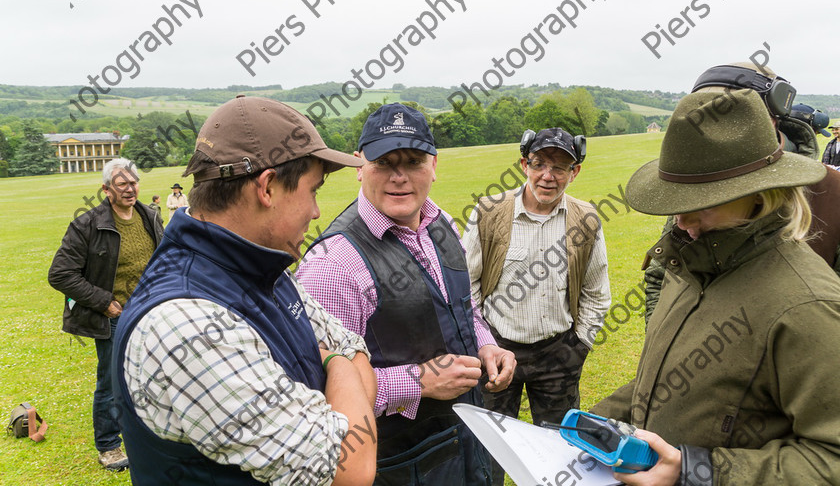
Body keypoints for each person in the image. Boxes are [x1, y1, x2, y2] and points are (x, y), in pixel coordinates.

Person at [112, 96, 377, 486]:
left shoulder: (262, 268)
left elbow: (360, 356)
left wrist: (337, 363)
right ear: (267, 187)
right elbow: (349, 467)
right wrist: (340, 365)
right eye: (313, 191)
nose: (317, 212)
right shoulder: (185, 322)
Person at [591, 88, 840, 485]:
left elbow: (832, 457)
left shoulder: (808, 305)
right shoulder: (691, 263)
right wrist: (593, 423)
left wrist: (698, 473)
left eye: (704, 202)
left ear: (759, 194)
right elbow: (665, 380)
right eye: (677, 198)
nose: (682, 221)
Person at [297, 103, 516, 485]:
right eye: (384, 162)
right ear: (359, 165)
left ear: (434, 164)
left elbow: (462, 307)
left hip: (471, 441)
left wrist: (485, 345)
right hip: (400, 465)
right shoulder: (334, 264)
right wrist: (419, 381)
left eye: (413, 161)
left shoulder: (443, 222)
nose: (399, 177)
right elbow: (318, 390)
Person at [462, 128, 610, 485]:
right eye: (540, 164)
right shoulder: (488, 213)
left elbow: (596, 293)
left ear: (575, 172)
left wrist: (579, 347)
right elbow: (466, 290)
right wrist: (484, 346)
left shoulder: (586, 220)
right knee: (491, 450)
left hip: (558, 353)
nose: (548, 175)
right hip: (497, 352)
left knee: (561, 452)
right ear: (524, 164)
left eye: (560, 167)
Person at [644, 63, 840, 323]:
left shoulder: (832, 192)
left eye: (726, 117)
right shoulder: (695, 187)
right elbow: (661, 277)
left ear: (769, 119)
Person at [48, 158, 163, 470]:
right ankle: (110, 445)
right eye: (122, 184)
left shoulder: (149, 216)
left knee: (153, 377)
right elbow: (60, 274)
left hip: (150, 314)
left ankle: (152, 435)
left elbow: (163, 259)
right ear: (106, 189)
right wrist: (103, 301)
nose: (130, 189)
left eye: (134, 182)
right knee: (112, 383)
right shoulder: (86, 225)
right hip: (114, 318)